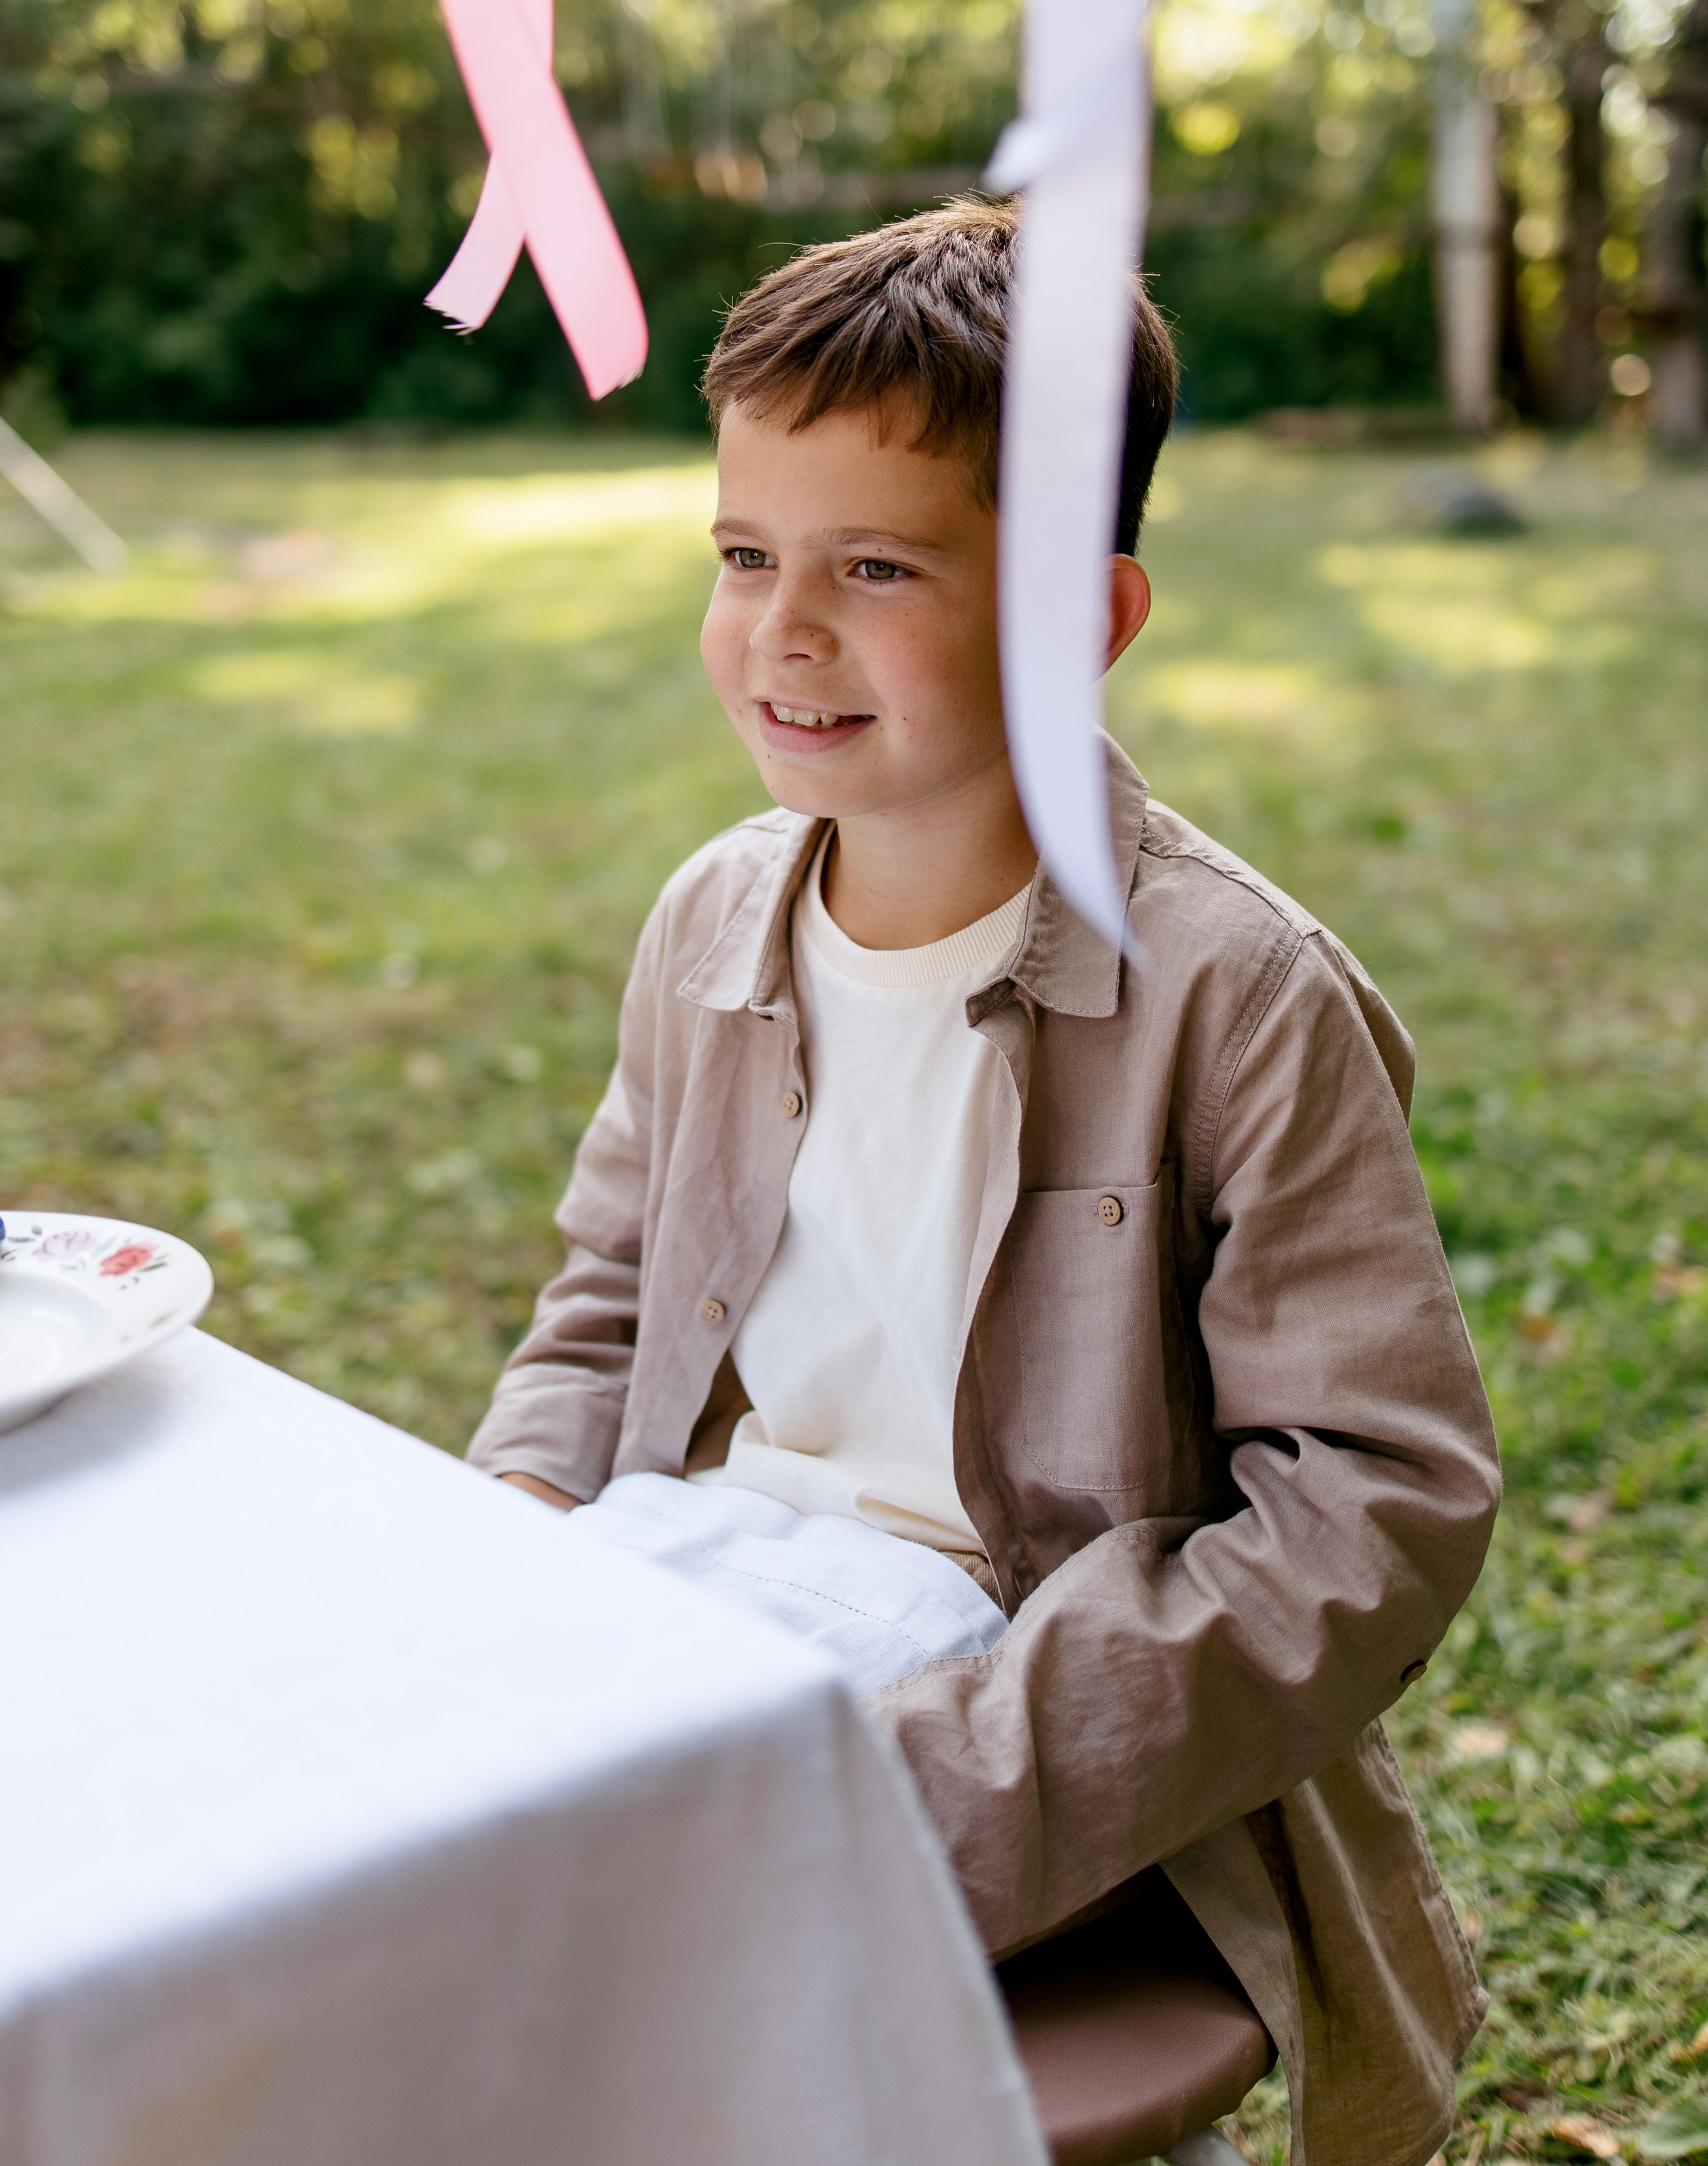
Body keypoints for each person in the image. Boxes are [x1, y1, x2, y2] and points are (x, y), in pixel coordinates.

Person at [467, 198, 1501, 2166]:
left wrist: (963, 1783)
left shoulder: (1236, 993)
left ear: (1079, 623)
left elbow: (1379, 1504)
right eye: (745, 557)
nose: (783, 630)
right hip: (696, 1603)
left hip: (1027, 1688)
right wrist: (510, 1551)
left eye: (875, 567)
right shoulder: (712, 926)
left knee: (623, 1988)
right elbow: (602, 1302)